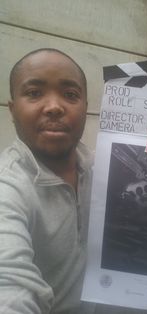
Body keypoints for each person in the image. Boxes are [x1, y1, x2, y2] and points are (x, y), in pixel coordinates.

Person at [0, 48, 93, 313]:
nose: (54, 107)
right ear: (13, 109)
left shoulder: (106, 171)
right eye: (34, 93)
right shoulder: (7, 188)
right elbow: (9, 286)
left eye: (70, 95)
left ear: (85, 108)